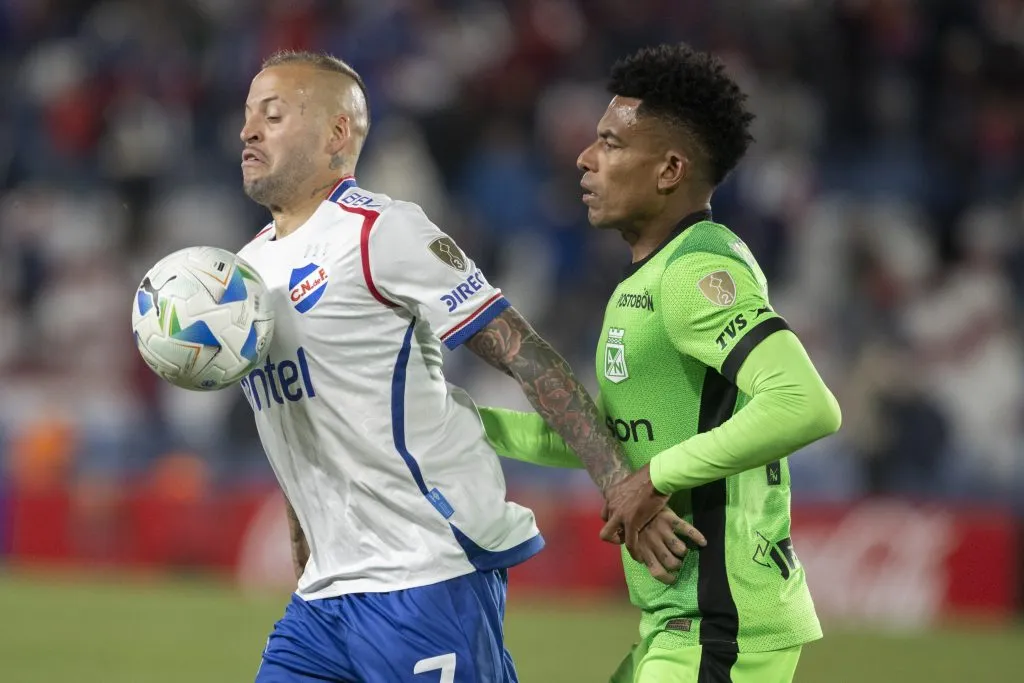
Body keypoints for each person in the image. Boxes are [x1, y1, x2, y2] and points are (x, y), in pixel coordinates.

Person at [234, 50, 691, 683]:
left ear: (338, 133)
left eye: (273, 115)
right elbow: (298, 418)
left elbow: (522, 353)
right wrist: (306, 548)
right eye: (249, 114)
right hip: (323, 602)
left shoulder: (379, 232)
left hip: (425, 578)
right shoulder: (244, 276)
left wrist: (619, 483)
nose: (248, 130)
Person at [479, 43, 842, 682]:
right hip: (677, 626)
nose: (585, 159)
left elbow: (805, 403)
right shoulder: (650, 278)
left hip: (722, 628)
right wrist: (466, 421)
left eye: (611, 144)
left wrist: (655, 479)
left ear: (670, 169)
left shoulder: (697, 271)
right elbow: (614, 440)